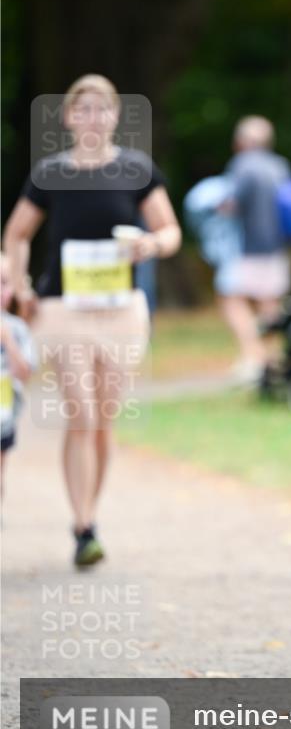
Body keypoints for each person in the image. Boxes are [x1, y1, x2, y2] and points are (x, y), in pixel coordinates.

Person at [3, 74, 181, 566]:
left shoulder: (135, 169)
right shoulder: (50, 173)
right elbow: (16, 234)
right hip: (63, 309)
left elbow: (170, 230)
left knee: (102, 420)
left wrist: (151, 244)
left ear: (116, 116)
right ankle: (82, 526)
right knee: (79, 412)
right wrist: (19, 287)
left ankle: (92, 513)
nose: (92, 118)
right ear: (68, 117)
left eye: (102, 109)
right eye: (83, 109)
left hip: (120, 311)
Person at [217, 115, 291, 384]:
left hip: (248, 247)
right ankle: (270, 358)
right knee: (269, 305)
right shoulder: (280, 166)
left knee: (231, 299)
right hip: (278, 246)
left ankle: (252, 355)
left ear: (240, 142)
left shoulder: (243, 165)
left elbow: (232, 204)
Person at [1, 252, 35, 499]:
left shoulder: (18, 328)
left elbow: (25, 373)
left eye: (3, 282)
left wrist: (8, 341)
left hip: (4, 410)